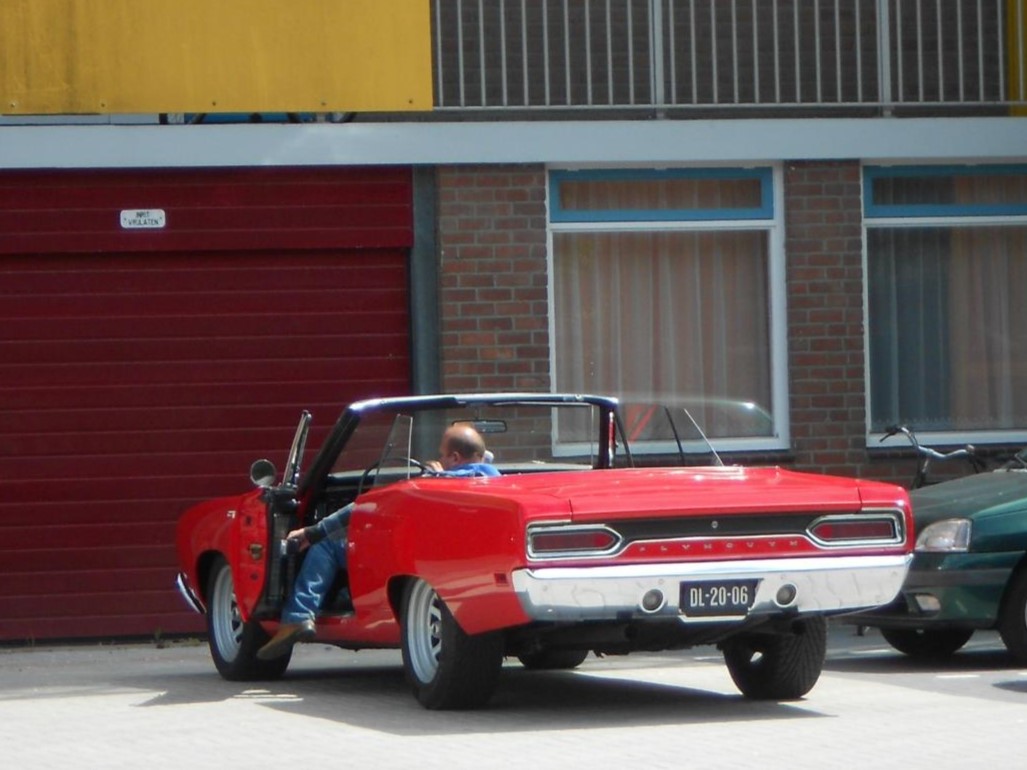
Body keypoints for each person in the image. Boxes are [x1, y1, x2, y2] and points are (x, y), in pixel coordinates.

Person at [257, 423, 499, 660]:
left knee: (326, 546)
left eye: (443, 456)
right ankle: (340, 597)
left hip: (405, 554)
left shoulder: (437, 482)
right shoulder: (498, 482)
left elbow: (364, 506)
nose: (442, 460)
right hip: (467, 559)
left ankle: (298, 616)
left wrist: (313, 532)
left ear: (455, 458)